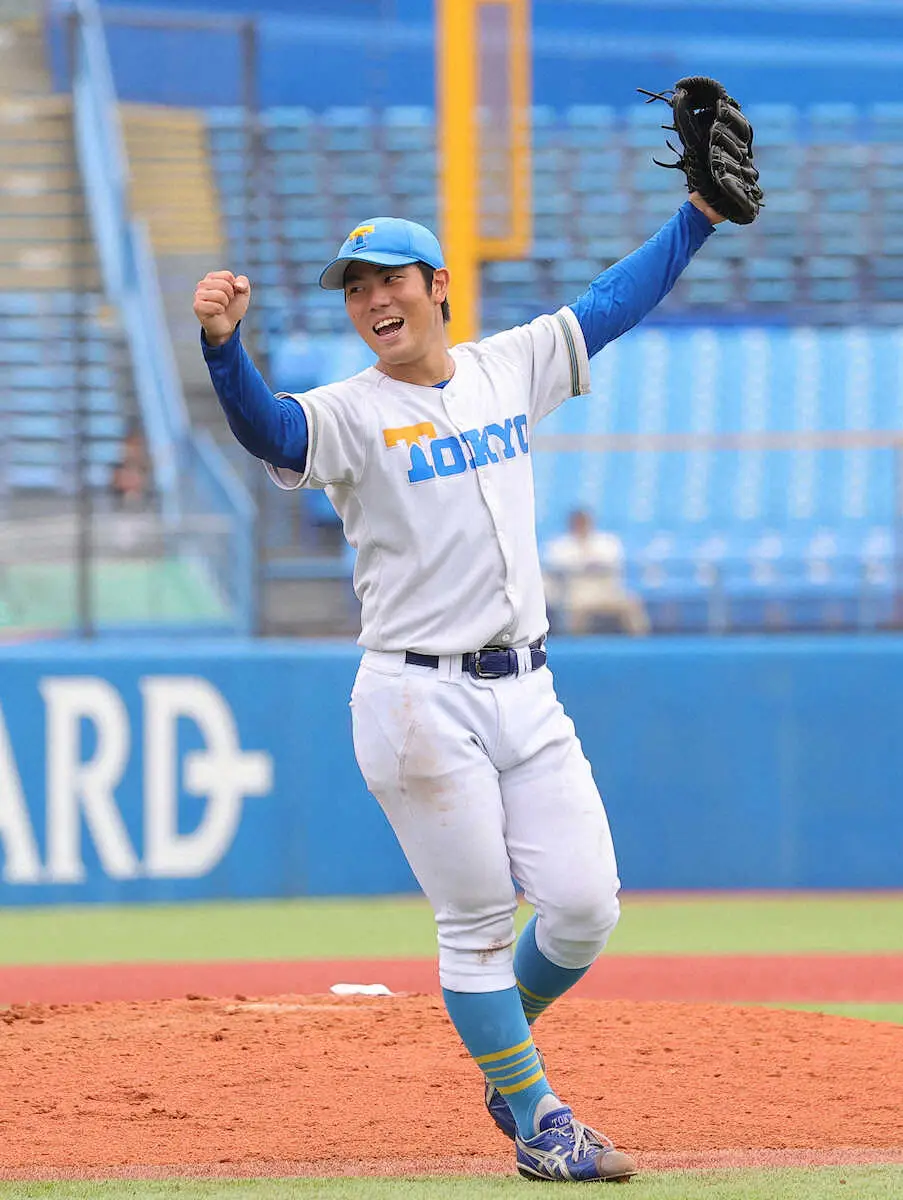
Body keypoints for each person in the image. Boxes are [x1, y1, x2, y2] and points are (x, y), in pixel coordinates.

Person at [194, 192, 726, 1182]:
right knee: (478, 925)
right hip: (416, 698)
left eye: (390, 280)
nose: (372, 301)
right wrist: (224, 349)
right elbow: (270, 431)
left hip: (528, 686)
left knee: (584, 908)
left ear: (438, 286)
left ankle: (501, 1052)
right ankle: (538, 1120)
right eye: (355, 288)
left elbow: (611, 303)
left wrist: (694, 214)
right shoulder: (350, 412)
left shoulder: (504, 368)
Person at [544, 510, 650, 635]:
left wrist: (590, 566)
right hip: (577, 594)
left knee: (632, 603)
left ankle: (639, 641)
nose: (581, 526)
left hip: (607, 592)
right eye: (578, 523)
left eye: (584, 522)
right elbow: (556, 569)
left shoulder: (606, 542)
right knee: (574, 610)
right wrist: (583, 567)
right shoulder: (560, 546)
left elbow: (615, 564)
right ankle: (577, 644)